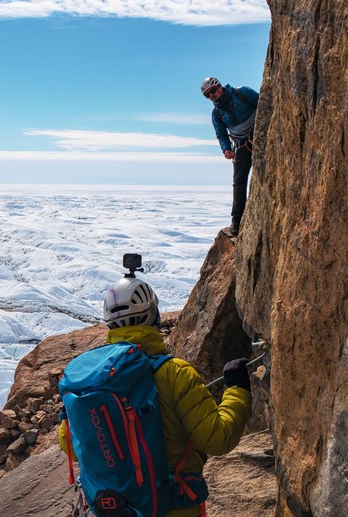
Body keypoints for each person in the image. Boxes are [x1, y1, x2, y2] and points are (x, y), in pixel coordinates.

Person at [60, 273, 252, 517]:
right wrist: (237, 389)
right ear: (154, 315)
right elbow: (217, 439)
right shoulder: (174, 373)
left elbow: (71, 446)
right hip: (174, 508)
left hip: (118, 508)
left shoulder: (89, 380)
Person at [201, 77, 259, 237]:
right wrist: (226, 149)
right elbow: (221, 134)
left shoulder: (242, 93)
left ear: (219, 87)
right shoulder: (217, 113)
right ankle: (237, 221)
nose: (211, 96)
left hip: (258, 134)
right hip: (241, 144)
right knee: (239, 182)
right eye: (207, 95)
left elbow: (263, 104)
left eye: (212, 91)